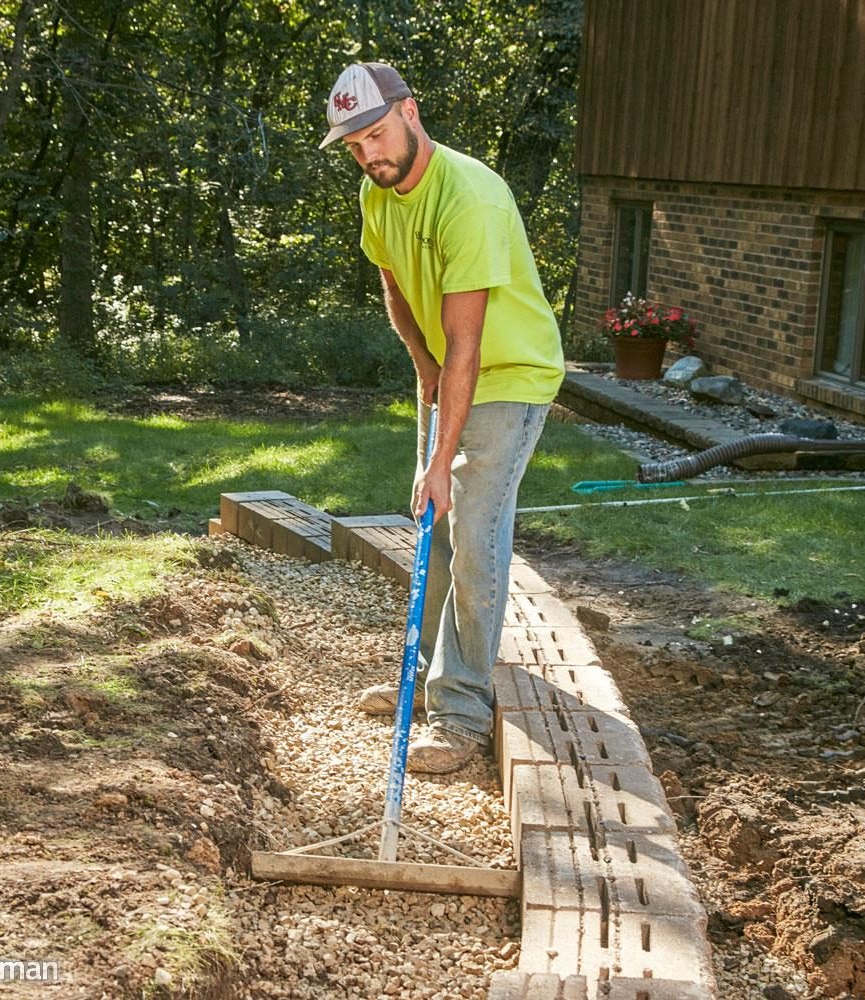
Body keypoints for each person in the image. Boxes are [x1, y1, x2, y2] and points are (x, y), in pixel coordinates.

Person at [320, 62, 565, 773]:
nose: (370, 155)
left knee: (473, 533)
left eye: (376, 134)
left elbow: (470, 344)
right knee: (434, 526)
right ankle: (422, 687)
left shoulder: (470, 200)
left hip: (509, 371)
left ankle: (461, 713)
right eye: (354, 145)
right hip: (452, 368)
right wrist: (420, 364)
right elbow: (394, 285)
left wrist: (441, 461)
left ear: (411, 113)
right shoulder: (379, 192)